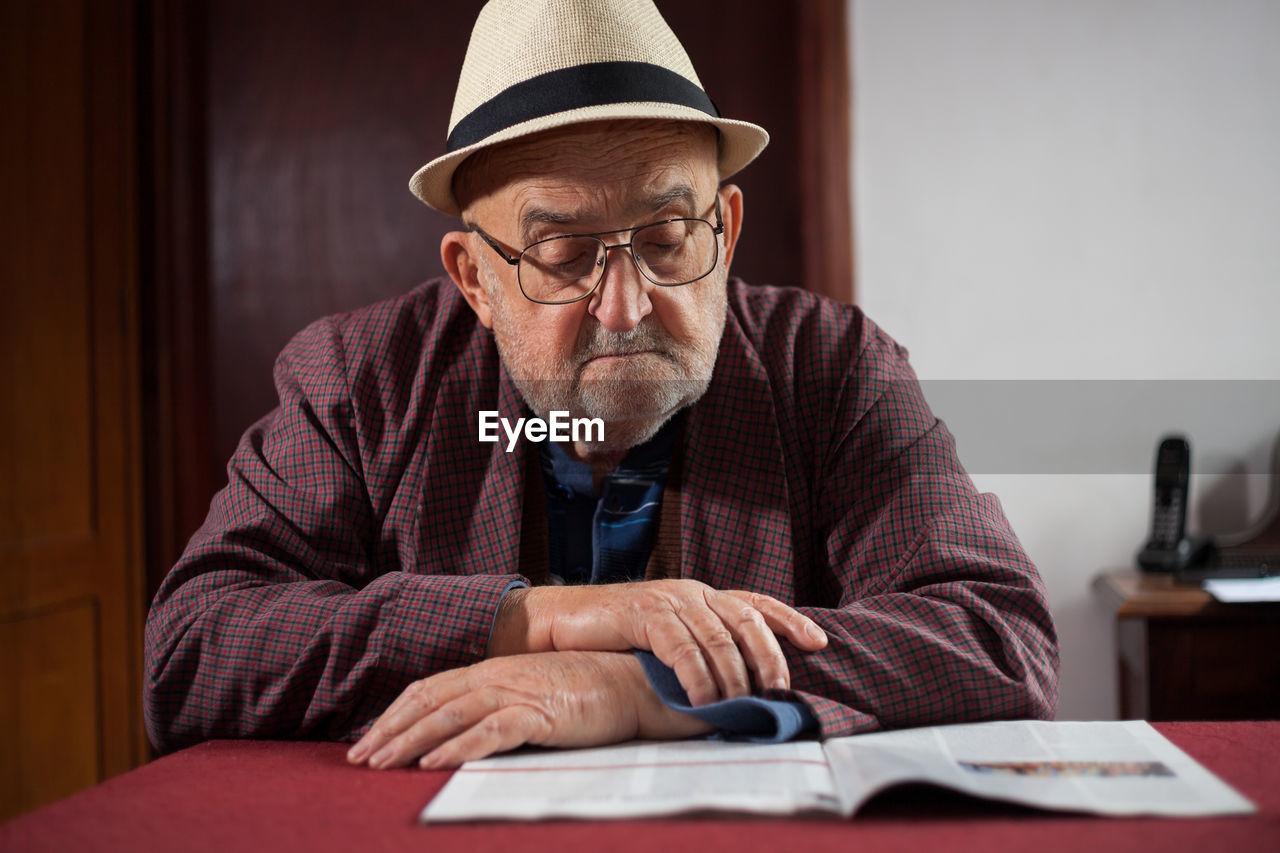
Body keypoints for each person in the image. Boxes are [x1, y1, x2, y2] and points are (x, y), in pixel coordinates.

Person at [144, 0, 1058, 771]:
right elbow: (192, 650)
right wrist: (539, 623)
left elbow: (996, 632)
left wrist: (641, 684)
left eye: (667, 239)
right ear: (475, 278)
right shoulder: (362, 381)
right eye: (562, 253)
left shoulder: (832, 366)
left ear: (726, 231)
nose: (627, 308)